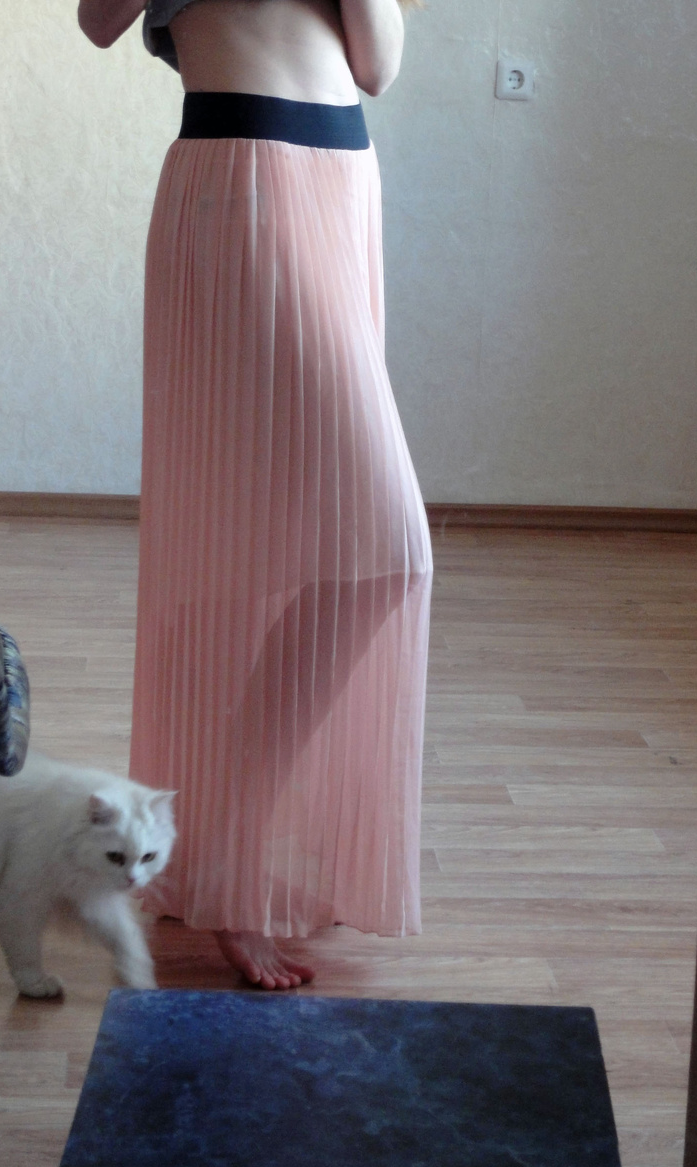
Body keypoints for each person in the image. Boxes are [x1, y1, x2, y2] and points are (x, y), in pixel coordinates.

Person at [78, 0, 432, 990]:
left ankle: (215, 841)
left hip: (341, 182)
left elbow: (378, 65)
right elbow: (97, 20)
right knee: (376, 548)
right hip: (242, 179)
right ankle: (226, 857)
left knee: (366, 551)